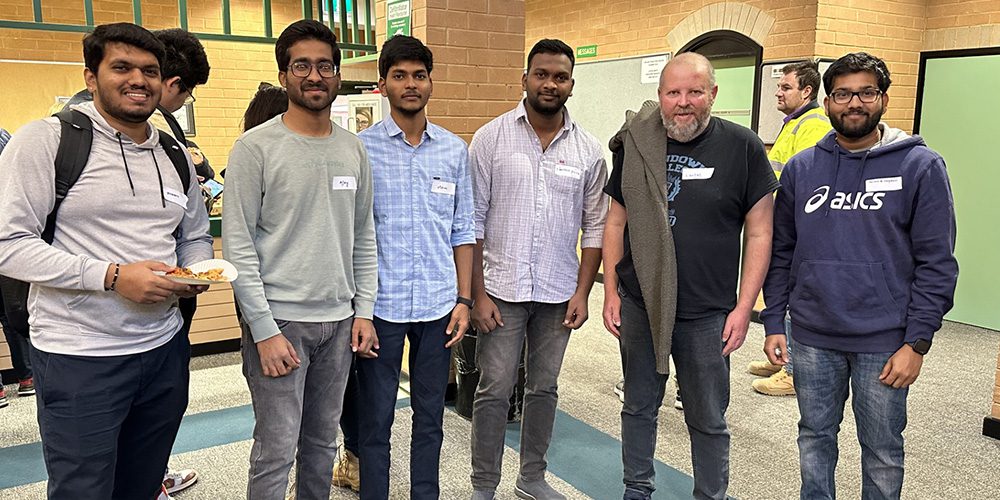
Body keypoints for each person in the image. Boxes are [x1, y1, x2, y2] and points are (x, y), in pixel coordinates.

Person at [0, 22, 213, 499]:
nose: (138, 79)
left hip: (163, 351)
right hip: (80, 356)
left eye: (150, 70)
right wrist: (112, 276)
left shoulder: (173, 153)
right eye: (122, 67)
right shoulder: (46, 142)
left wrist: (195, 272)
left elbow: (194, 234)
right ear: (91, 76)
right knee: (84, 489)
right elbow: (8, 245)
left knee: (141, 483)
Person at [760, 52, 958, 500]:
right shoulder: (802, 168)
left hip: (884, 342)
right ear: (827, 102)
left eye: (866, 92)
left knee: (883, 451)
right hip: (811, 335)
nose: (854, 103)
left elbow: (937, 263)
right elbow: (782, 251)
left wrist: (917, 342)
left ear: (883, 99)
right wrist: (775, 321)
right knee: (814, 438)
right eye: (843, 93)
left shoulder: (920, 167)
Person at [602, 52, 778, 500]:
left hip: (708, 314)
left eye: (695, 91)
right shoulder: (639, 144)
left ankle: (710, 495)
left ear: (713, 94)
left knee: (708, 417)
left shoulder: (743, 146)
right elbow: (615, 223)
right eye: (673, 92)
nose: (684, 102)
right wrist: (612, 292)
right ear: (659, 97)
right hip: (642, 302)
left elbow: (760, 231)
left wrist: (744, 306)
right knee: (639, 406)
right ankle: (636, 489)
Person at [222, 19, 377, 500]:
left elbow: (363, 235)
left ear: (336, 74)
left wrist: (364, 311)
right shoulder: (255, 148)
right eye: (302, 66)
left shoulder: (353, 148)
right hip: (281, 323)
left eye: (325, 66)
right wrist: (264, 330)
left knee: (321, 442)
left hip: (339, 322)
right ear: (285, 74)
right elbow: (239, 247)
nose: (315, 76)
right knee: (275, 449)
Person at [469, 38, 608, 500]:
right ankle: (484, 485)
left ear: (572, 83)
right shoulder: (490, 139)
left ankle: (531, 477)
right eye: (541, 74)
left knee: (544, 390)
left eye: (560, 77)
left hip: (558, 290)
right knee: (493, 390)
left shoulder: (588, 151)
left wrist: (583, 292)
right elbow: (471, 222)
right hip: (501, 290)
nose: (550, 84)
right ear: (525, 78)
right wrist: (477, 294)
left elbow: (595, 229)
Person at [356, 34, 475, 500]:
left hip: (438, 305)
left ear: (431, 83)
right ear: (382, 85)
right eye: (399, 76)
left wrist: (464, 299)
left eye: (419, 76)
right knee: (376, 419)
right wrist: (359, 309)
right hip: (381, 306)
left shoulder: (453, 151)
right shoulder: (360, 150)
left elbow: (463, 230)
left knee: (431, 417)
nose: (410, 84)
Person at [749, 60, 832, 397]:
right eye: (779, 87)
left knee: (794, 295)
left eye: (786, 88)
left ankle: (795, 371)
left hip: (798, 225)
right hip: (782, 220)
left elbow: (807, 182)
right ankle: (782, 356)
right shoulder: (794, 123)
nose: (778, 93)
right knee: (779, 289)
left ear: (807, 91)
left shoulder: (813, 124)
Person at [0, 126, 35, 409]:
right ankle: (26, 377)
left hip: (9, 241)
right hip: (9, 241)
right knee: (12, 311)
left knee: (13, 311)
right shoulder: (6, 139)